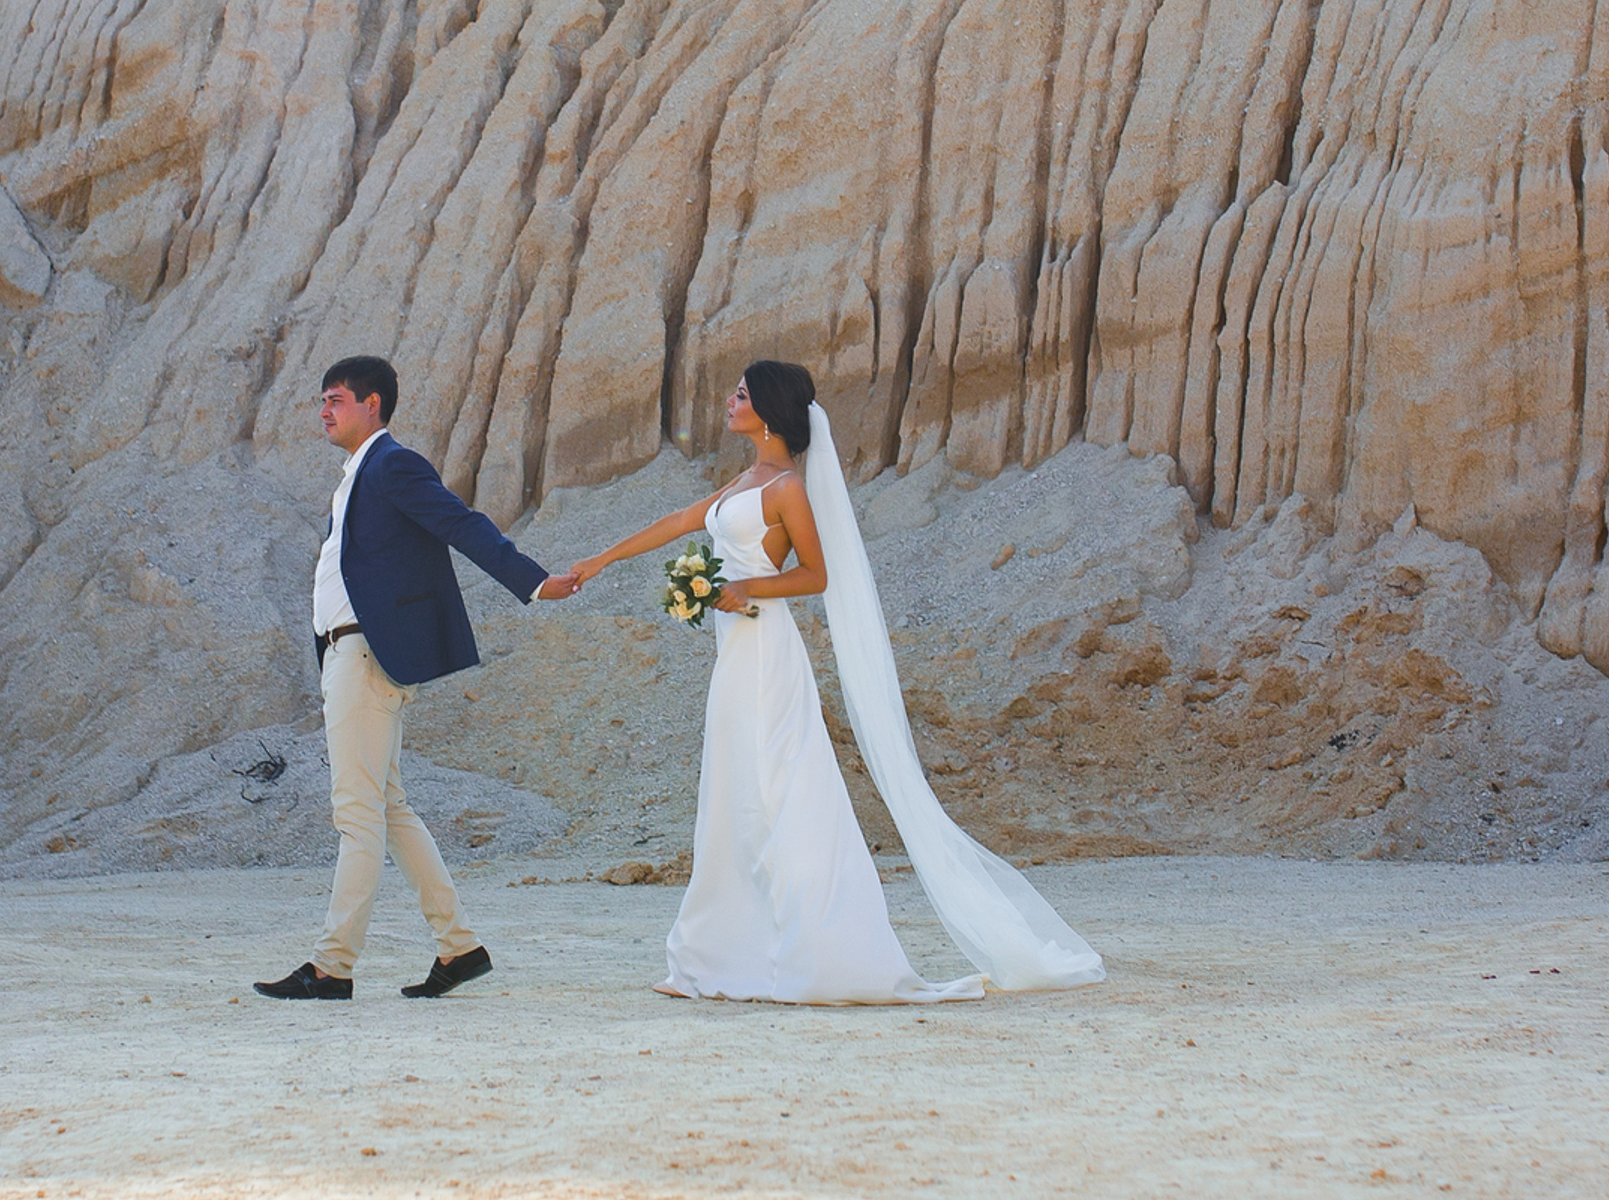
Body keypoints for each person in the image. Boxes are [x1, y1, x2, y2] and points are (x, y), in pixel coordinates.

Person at [563, 359, 1103, 1004]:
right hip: (734, 654)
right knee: (733, 793)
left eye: (741, 394)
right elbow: (681, 521)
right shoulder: (745, 479)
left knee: (776, 792)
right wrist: (597, 561)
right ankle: (713, 955)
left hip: (766, 651)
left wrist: (745, 588)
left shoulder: (787, 487)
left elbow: (816, 576)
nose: (730, 402)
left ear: (768, 407)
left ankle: (817, 955)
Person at [255, 354, 576, 1004]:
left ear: (373, 404)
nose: (325, 409)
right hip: (351, 657)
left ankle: (331, 966)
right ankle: (459, 948)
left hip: (367, 658)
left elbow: (457, 522)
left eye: (337, 398)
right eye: (321, 399)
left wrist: (532, 581)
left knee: (357, 816)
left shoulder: (391, 464)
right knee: (389, 808)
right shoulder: (354, 477)